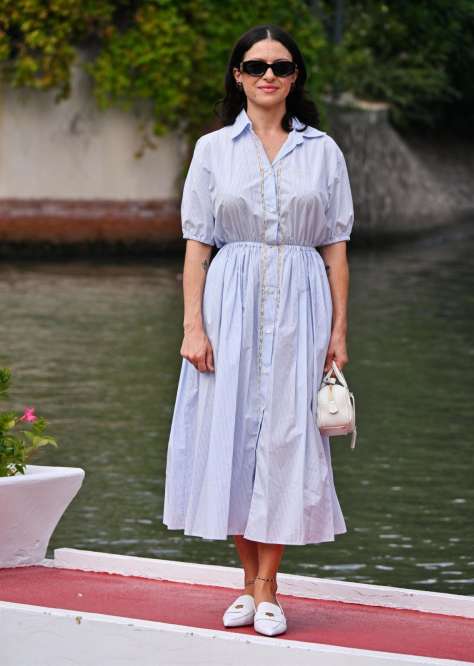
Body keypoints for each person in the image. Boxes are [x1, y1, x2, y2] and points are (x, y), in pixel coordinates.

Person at [163, 23, 354, 637]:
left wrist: (339, 332)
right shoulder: (212, 150)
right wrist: (194, 327)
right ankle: (250, 584)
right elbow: (197, 247)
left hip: (302, 307)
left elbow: (335, 249)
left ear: (295, 76)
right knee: (232, 439)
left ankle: (266, 587)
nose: (267, 74)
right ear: (238, 76)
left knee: (285, 439)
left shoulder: (323, 150)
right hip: (228, 305)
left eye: (279, 65)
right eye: (254, 65)